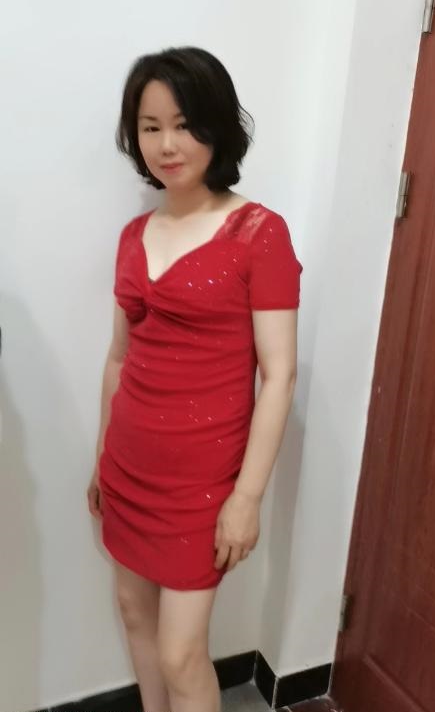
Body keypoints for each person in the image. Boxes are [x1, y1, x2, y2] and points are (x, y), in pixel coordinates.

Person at [87, 45, 303, 712]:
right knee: (135, 614)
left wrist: (247, 498)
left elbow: (279, 374)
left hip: (201, 483)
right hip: (128, 465)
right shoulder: (133, 235)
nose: (166, 144)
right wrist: (100, 457)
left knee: (183, 653)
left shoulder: (259, 233)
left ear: (216, 126)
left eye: (183, 125)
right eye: (151, 127)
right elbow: (119, 357)